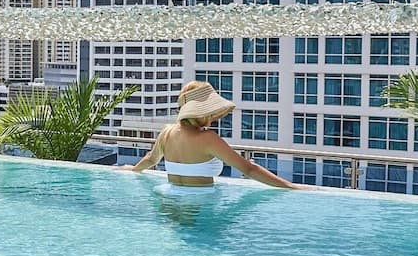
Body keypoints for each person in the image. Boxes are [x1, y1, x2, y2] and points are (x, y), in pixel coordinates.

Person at [124, 81, 313, 190]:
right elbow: (249, 169)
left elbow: (151, 159)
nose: (213, 117)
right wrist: (291, 186)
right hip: (200, 205)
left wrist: (132, 170)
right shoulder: (208, 138)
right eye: (209, 112)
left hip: (170, 202)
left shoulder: (166, 132)